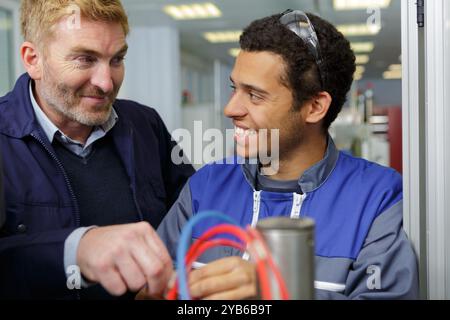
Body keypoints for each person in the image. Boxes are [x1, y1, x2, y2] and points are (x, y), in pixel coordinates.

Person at [157, 10, 419, 299]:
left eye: (255, 95)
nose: (230, 109)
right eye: (235, 88)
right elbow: (155, 288)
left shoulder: (377, 197)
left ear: (315, 107)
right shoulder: (205, 187)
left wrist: (274, 291)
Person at [0, 0, 194, 299]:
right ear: (32, 59)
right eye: (85, 59)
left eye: (116, 60)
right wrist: (76, 249)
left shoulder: (146, 124)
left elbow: (192, 213)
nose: (106, 83)